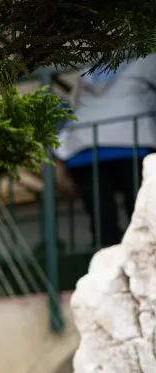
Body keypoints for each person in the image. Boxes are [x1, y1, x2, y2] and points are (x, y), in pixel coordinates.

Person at [56, 56, 156, 249]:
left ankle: (106, 263)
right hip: (132, 144)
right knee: (143, 217)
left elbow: (72, 105)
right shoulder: (146, 58)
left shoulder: (88, 69)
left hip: (83, 149)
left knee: (102, 225)